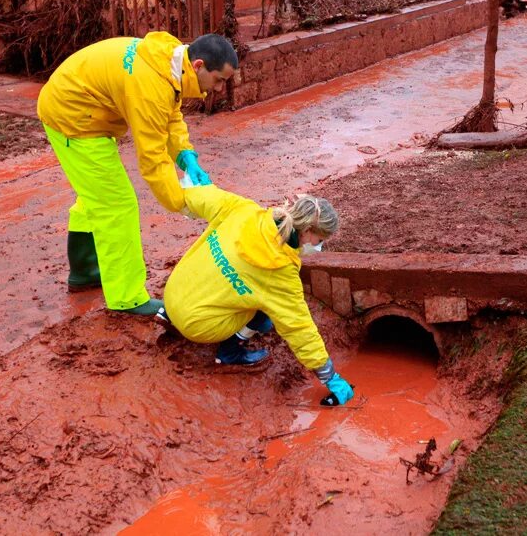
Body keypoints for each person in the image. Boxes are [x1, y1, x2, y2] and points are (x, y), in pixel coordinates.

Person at [37, 32, 238, 315]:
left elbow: (170, 116)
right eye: (218, 80)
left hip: (83, 106)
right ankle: (126, 297)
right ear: (198, 66)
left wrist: (185, 156)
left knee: (97, 192)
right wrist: (182, 201)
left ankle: (85, 272)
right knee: (116, 205)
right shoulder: (150, 85)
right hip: (72, 116)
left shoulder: (169, 61)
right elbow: (152, 158)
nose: (218, 89)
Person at [156, 187, 356, 406]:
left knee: (226, 275)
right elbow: (299, 328)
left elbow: (197, 196)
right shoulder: (280, 273)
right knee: (265, 312)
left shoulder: (245, 210)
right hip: (196, 324)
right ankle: (229, 353)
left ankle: (169, 313)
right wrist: (329, 376)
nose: (319, 246)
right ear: (308, 230)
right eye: (319, 239)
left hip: (173, 291)